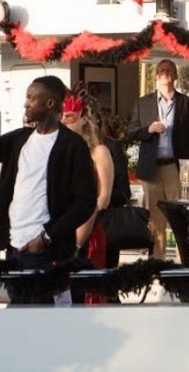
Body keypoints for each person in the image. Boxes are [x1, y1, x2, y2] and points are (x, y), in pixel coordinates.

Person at [0, 76, 96, 303]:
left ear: (49, 103)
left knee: (44, 323)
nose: (25, 103)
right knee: (20, 318)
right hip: (14, 246)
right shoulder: (21, 139)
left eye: (31, 98)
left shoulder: (72, 145)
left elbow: (85, 202)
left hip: (45, 251)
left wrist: (48, 236)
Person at [127, 60, 189, 260]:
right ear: (156, 76)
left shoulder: (188, 103)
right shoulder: (143, 103)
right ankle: (156, 265)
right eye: (161, 71)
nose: (165, 74)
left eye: (169, 70)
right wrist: (147, 130)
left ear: (175, 76)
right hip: (152, 169)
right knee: (155, 220)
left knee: (180, 218)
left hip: (174, 168)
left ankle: (182, 264)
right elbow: (131, 131)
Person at [61, 94, 112, 303]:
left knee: (88, 289)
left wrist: (81, 230)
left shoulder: (99, 151)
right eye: (62, 116)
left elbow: (103, 198)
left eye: (70, 117)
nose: (64, 120)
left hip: (90, 230)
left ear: (84, 119)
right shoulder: (64, 150)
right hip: (67, 227)